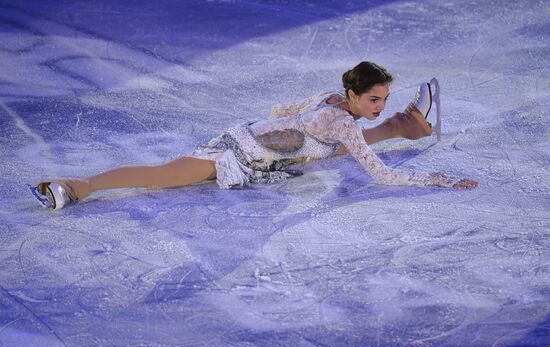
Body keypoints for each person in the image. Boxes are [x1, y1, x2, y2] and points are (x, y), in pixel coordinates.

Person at [30, 61, 478, 210]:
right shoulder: (342, 119)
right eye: (374, 99)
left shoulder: (332, 101)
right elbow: (381, 176)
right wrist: (438, 180)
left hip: (267, 150)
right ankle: (76, 186)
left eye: (384, 100)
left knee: (333, 148)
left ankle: (412, 123)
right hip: (237, 153)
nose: (375, 105)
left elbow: (282, 111)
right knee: (159, 177)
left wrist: (297, 133)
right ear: (352, 94)